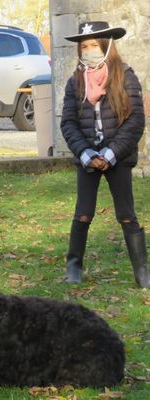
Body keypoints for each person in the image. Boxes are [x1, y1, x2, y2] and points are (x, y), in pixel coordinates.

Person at [61, 21, 149, 288]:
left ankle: (142, 271)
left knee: (126, 214)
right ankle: (73, 266)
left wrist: (110, 153)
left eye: (94, 46)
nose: (88, 51)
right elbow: (68, 123)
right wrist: (86, 153)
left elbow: (135, 122)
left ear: (107, 46)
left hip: (118, 157)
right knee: (83, 213)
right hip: (88, 157)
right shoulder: (75, 82)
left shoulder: (125, 76)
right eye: (84, 46)